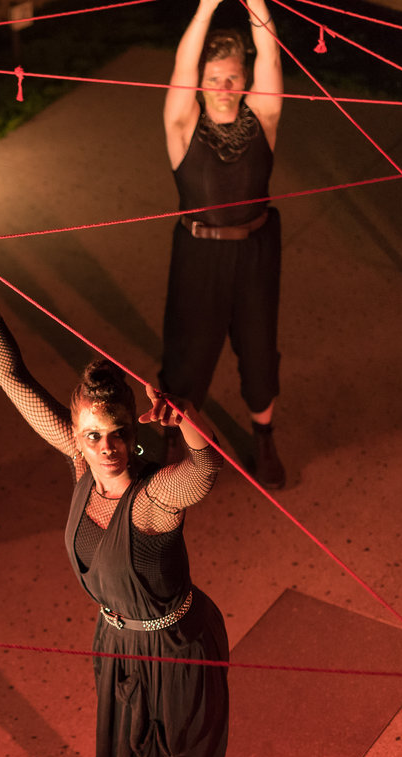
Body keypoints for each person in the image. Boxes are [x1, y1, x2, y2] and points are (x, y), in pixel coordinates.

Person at [0, 241, 229, 757]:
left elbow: (205, 474)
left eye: (119, 433)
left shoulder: (152, 499)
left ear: (134, 430)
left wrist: (186, 422)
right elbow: (13, 380)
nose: (106, 447)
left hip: (176, 644)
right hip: (118, 641)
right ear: (77, 432)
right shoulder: (78, 463)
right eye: (93, 434)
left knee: (186, 754)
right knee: (137, 749)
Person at [162, 0, 285, 488]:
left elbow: (270, 56)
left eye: (233, 77)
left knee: (259, 349)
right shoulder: (182, 126)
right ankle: (170, 440)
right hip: (199, 255)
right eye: (214, 78)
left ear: (245, 79)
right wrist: (207, 6)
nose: (224, 87)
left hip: (256, 252)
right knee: (187, 351)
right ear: (200, 81)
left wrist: (256, 3)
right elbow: (182, 66)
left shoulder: (264, 117)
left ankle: (264, 438)